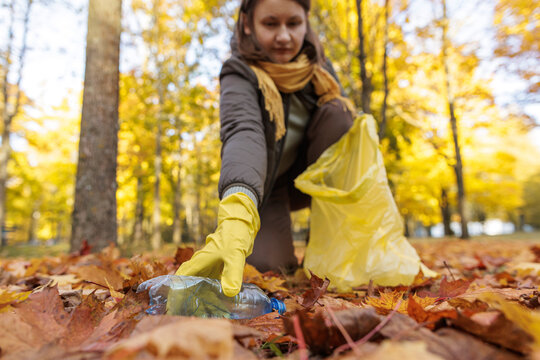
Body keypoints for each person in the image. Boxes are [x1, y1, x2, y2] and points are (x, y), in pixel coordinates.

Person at [176, 0, 355, 297]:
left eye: (294, 24)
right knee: (269, 267)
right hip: (267, 185)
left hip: (314, 180)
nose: (284, 36)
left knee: (341, 113)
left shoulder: (320, 67)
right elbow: (243, 130)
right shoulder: (239, 72)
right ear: (248, 23)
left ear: (306, 21)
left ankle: (328, 237)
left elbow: (349, 130)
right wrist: (237, 211)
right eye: (271, 24)